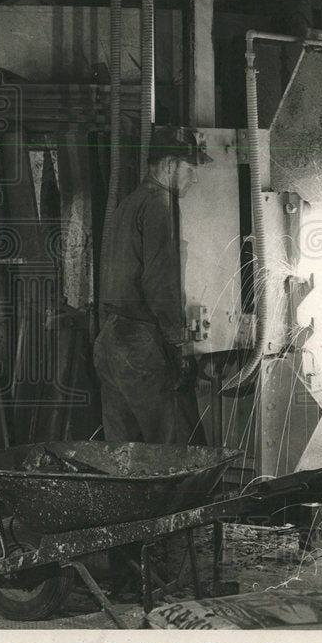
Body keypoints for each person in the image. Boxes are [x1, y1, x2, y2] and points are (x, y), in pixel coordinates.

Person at [94, 126, 211, 445]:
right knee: (177, 450)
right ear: (171, 166)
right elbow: (162, 283)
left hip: (112, 340)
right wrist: (178, 345)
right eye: (190, 169)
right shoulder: (162, 205)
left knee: (124, 454)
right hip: (143, 345)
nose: (195, 179)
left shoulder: (129, 203)